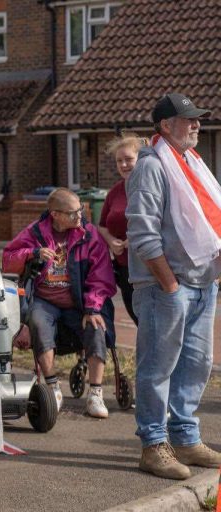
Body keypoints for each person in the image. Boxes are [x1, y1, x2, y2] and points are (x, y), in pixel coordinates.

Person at [126, 93, 221, 479]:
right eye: (188, 119)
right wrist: (168, 283)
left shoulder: (192, 163)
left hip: (202, 283)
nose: (197, 124)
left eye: (198, 118)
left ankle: (184, 438)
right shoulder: (151, 166)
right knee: (157, 366)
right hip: (166, 287)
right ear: (166, 126)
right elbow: (143, 232)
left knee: (196, 364)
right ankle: (153, 445)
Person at [3, 188, 116, 419]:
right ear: (55, 214)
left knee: (96, 324)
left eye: (80, 210)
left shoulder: (89, 235)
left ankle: (95, 393)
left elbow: (101, 275)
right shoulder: (35, 232)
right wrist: (32, 253)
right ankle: (53, 386)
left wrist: (92, 307)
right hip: (45, 299)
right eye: (73, 213)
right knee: (38, 322)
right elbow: (8, 259)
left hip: (79, 300)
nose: (79, 216)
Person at [98, 134, 144, 325]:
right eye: (119, 161)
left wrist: (135, 238)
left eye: (128, 159)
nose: (124, 164)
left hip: (148, 266)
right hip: (124, 267)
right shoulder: (115, 192)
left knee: (152, 321)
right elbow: (102, 225)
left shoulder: (150, 187)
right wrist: (110, 241)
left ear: (140, 159)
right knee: (137, 317)